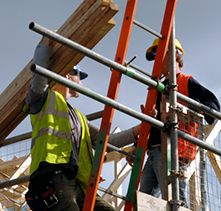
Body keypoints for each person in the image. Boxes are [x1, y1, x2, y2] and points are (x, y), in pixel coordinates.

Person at [24, 35, 151, 211]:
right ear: (67, 76)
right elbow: (38, 79)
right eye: (79, 75)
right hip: (52, 177)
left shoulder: (78, 118)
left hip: (76, 183)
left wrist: (140, 129)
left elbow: (108, 141)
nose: (81, 81)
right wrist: (44, 45)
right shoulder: (43, 100)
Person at [130, 38, 220, 204]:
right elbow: (154, 124)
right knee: (145, 202)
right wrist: (138, 146)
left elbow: (213, 105)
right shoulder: (158, 89)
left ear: (173, 56)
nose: (156, 63)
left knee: (175, 199)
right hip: (154, 152)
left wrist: (192, 112)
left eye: (159, 57)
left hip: (175, 152)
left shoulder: (186, 82)